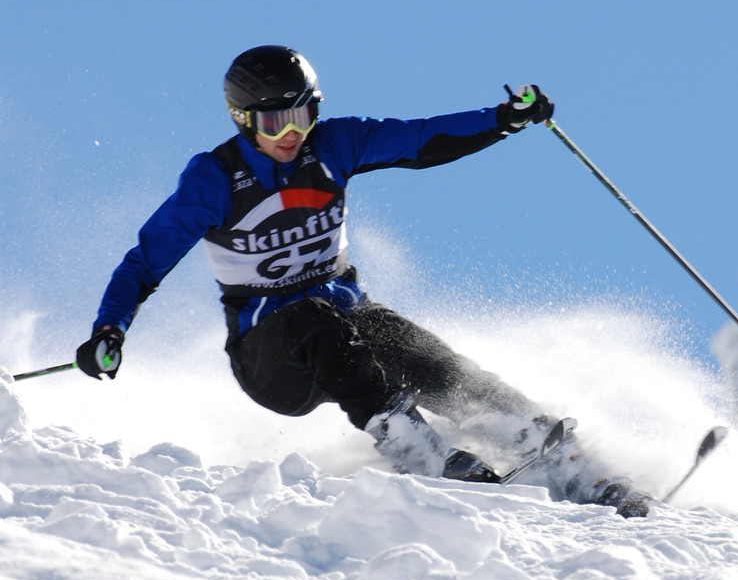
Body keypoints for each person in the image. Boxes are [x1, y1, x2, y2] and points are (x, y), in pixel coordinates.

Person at [76, 45, 652, 517]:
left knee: (421, 354)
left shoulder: (335, 145)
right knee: (312, 319)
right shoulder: (215, 179)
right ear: (243, 119)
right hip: (271, 357)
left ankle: (562, 460)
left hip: (346, 317)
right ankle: (419, 452)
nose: (291, 132)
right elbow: (144, 262)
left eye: (303, 114)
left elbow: (422, 139)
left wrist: (503, 120)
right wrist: (110, 329)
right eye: (275, 121)